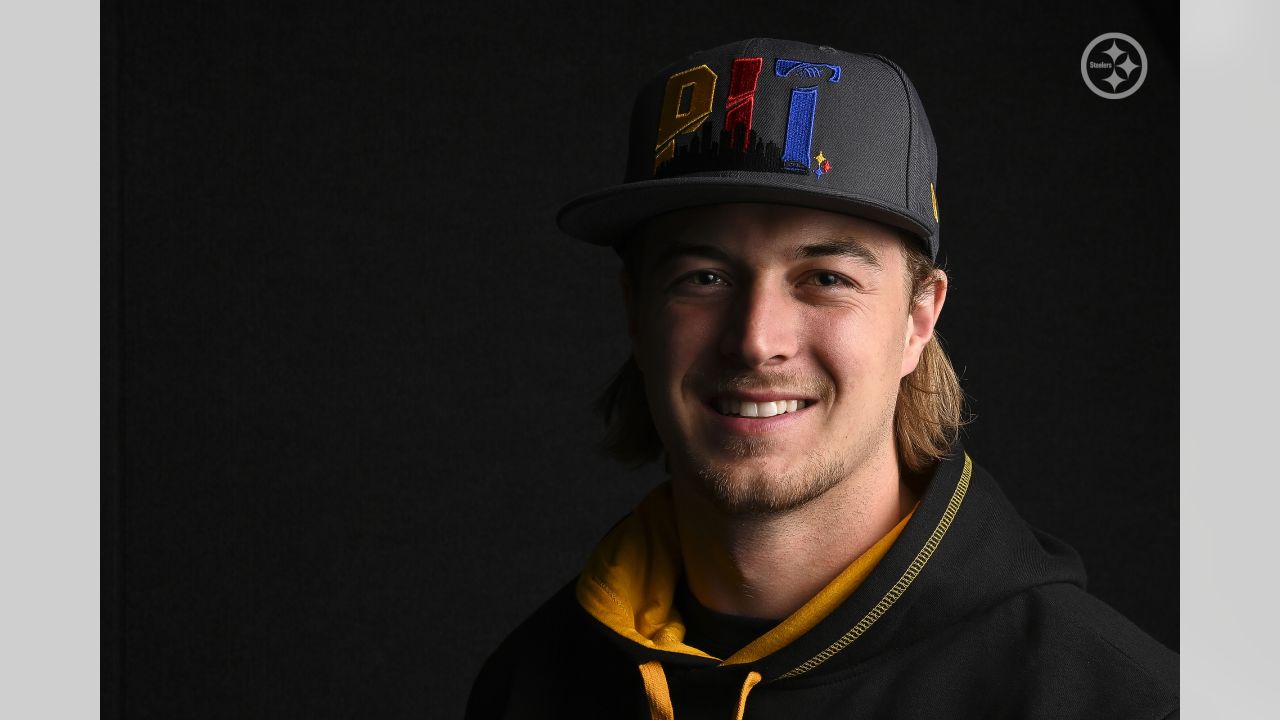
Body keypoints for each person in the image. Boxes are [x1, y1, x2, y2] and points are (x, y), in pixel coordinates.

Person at [466, 38, 1178, 719]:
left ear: (917, 318)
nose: (756, 340)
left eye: (827, 278)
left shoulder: (1123, 703)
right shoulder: (531, 685)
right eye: (704, 277)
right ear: (636, 312)